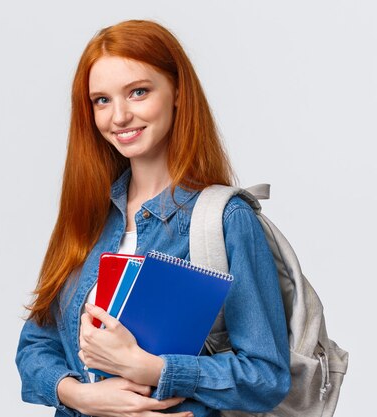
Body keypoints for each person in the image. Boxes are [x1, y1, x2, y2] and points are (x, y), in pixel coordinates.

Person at [15, 19, 290, 417]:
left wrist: (154, 369)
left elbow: (266, 376)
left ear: (177, 93)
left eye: (138, 92)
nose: (120, 116)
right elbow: (35, 345)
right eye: (102, 100)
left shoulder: (226, 219)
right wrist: (81, 396)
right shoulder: (89, 217)